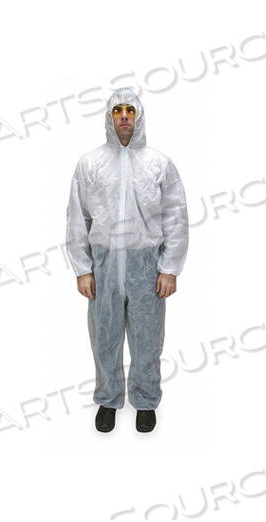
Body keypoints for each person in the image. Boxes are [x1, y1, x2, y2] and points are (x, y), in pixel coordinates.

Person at [65, 87, 189, 433]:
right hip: (103, 267)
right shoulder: (90, 164)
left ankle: (145, 402)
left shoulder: (158, 164)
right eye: (117, 110)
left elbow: (175, 216)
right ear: (109, 117)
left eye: (130, 111)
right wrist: (82, 269)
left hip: (146, 269)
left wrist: (170, 268)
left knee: (147, 339)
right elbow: (77, 218)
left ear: (139, 117)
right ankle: (108, 399)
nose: (123, 116)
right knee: (104, 337)